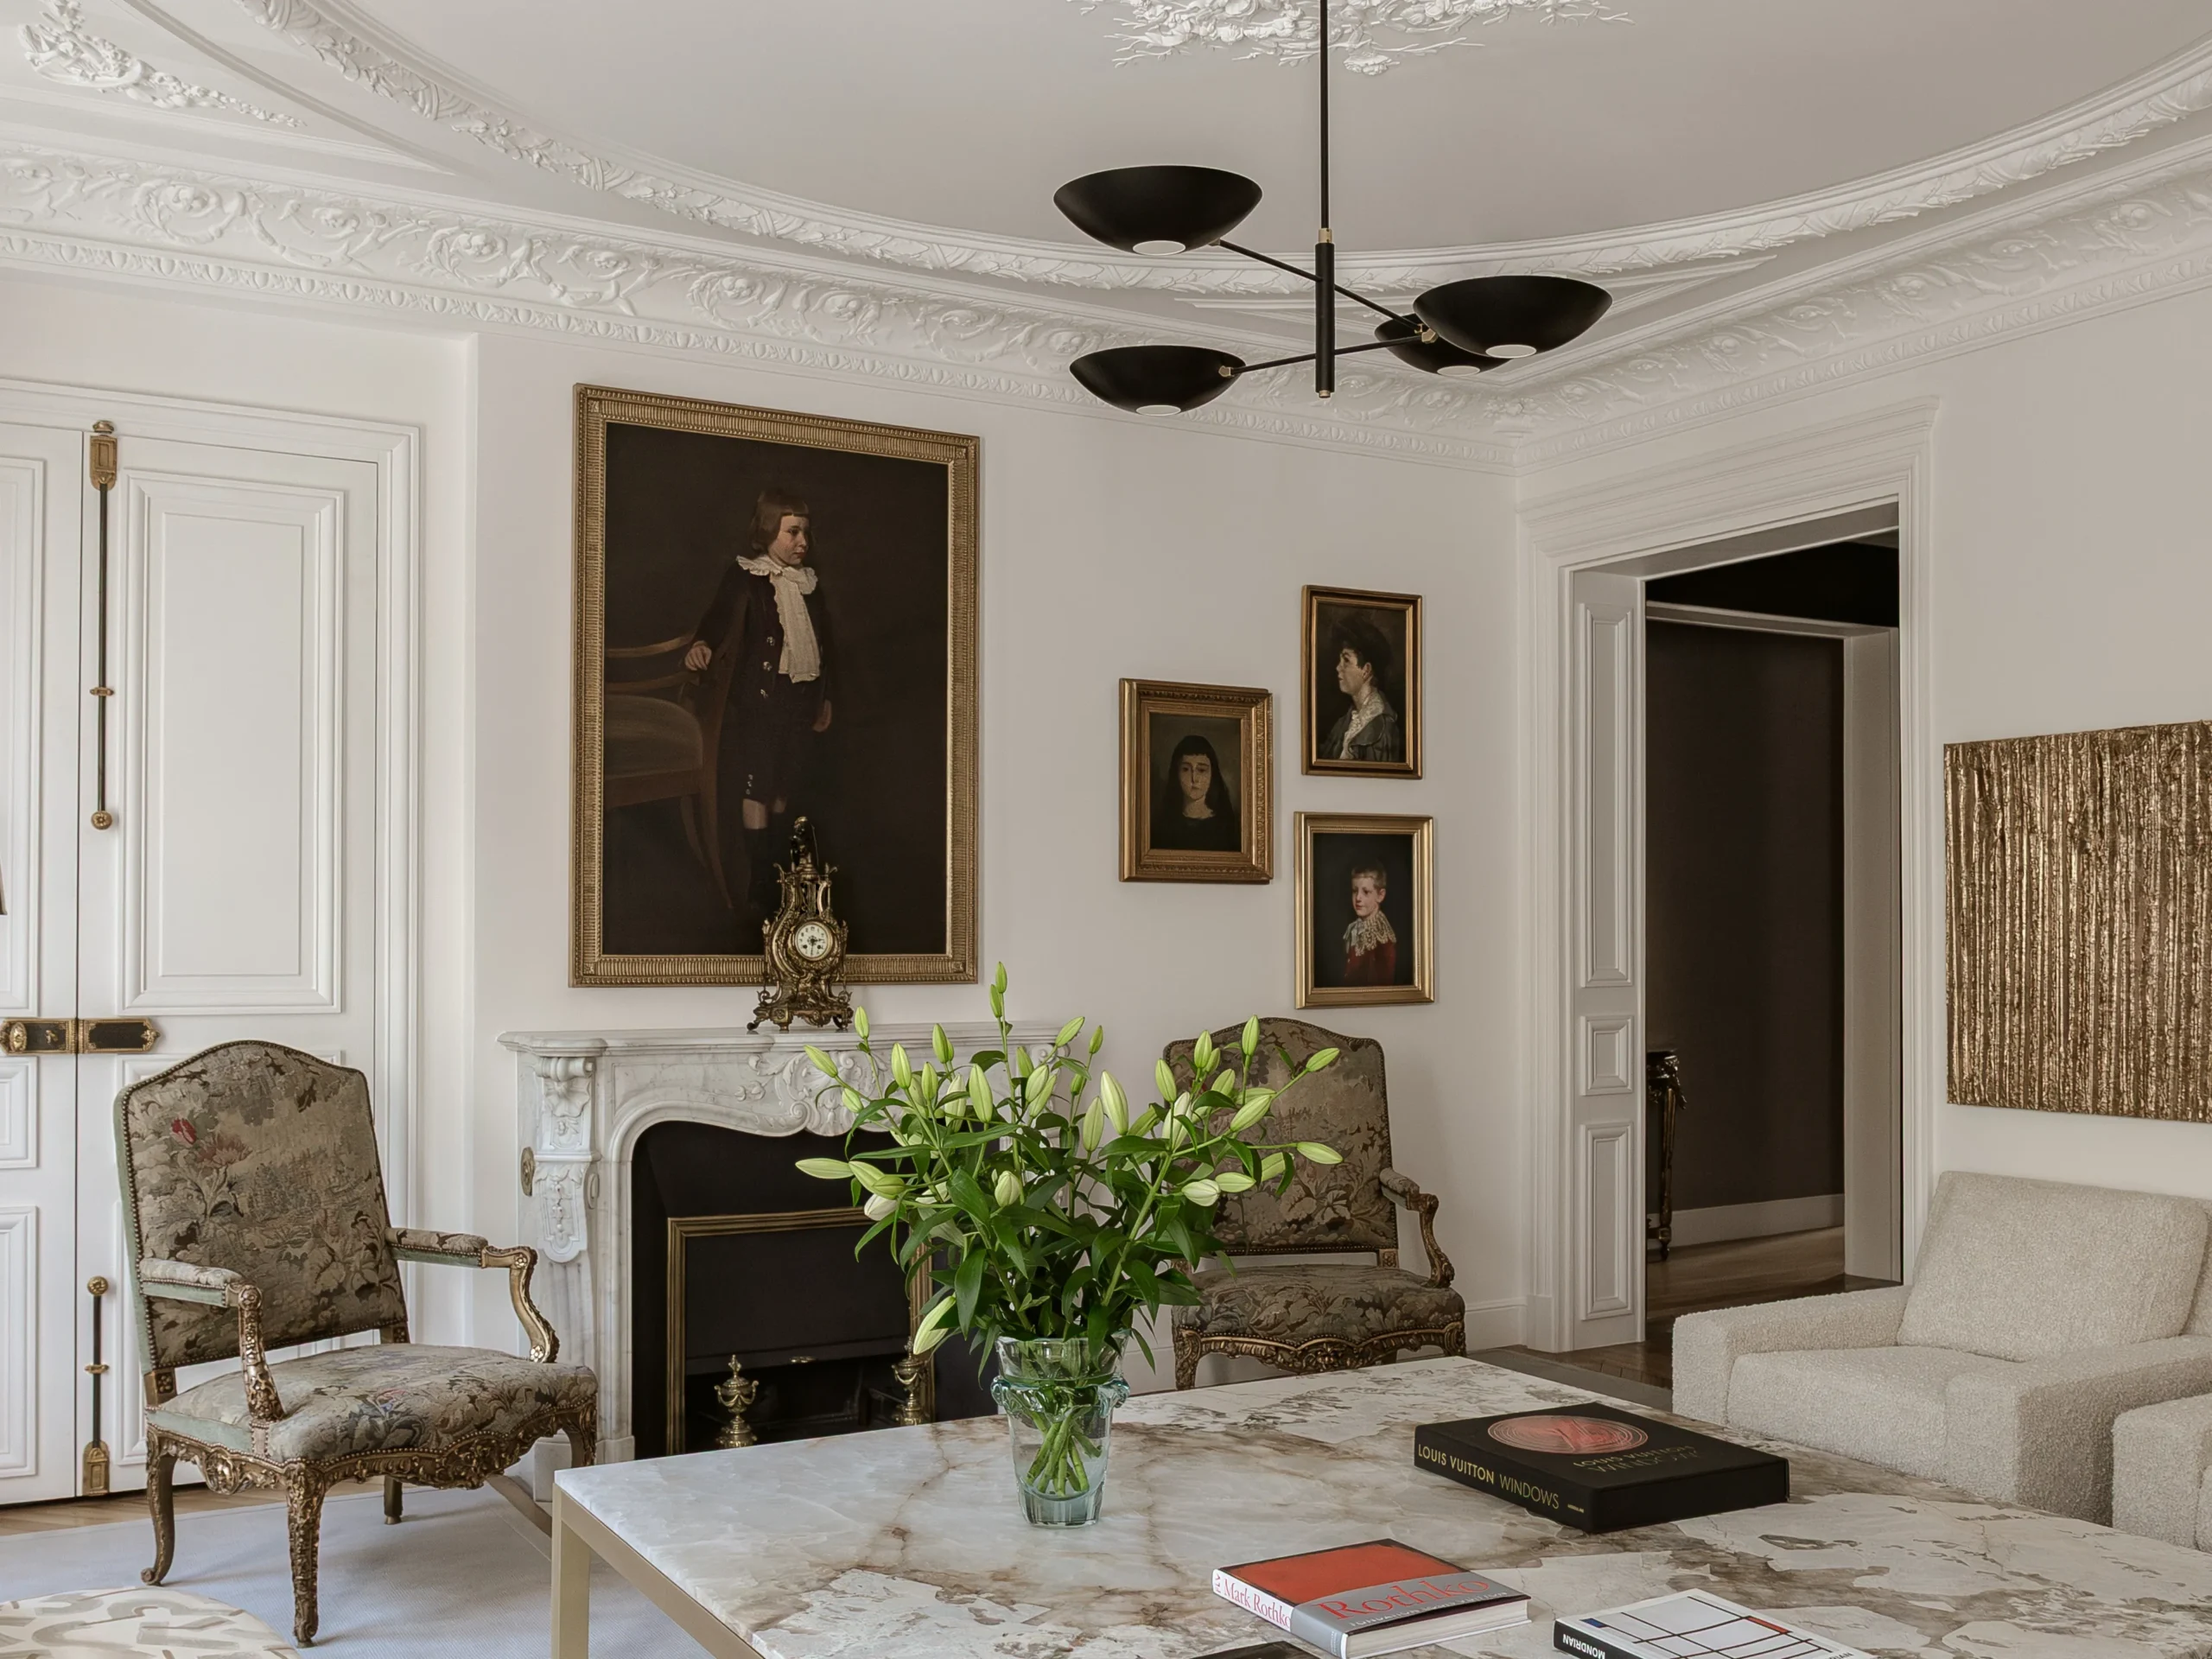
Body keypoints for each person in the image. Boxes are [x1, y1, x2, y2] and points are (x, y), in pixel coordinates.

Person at [687, 487, 833, 919]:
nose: (802, 541)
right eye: (792, 532)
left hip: (800, 698)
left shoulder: (809, 584)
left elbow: (828, 646)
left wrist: (826, 699)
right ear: (769, 530)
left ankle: (778, 867)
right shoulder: (746, 576)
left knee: (784, 786)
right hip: (760, 701)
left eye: (805, 532)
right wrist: (701, 643)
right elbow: (717, 617)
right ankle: (759, 879)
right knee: (758, 785)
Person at [1320, 613, 1403, 765]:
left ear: (1366, 670)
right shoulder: (1344, 723)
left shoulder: (1383, 729)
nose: (1338, 667)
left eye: (1346, 660)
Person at [1152, 731, 1240, 852]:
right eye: (1186, 769)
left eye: (1202, 770)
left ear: (1212, 775)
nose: (1194, 779)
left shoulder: (1227, 825)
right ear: (1176, 773)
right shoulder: (1162, 825)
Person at [1341, 863, 1398, 985]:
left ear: (1380, 895)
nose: (1358, 898)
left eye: (1366, 892)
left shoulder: (1382, 938)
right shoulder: (1353, 928)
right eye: (1355, 891)